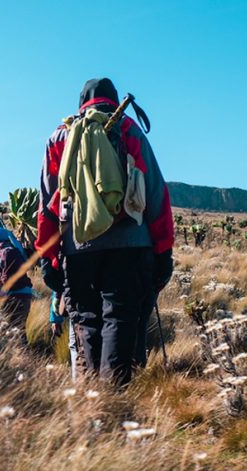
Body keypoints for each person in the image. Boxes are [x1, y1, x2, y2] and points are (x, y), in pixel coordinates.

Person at [36, 78, 174, 385]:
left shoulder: (60, 136)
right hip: (131, 242)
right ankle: (114, 394)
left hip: (79, 244)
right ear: (114, 99)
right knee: (121, 316)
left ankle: (92, 395)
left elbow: (47, 202)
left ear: (81, 101)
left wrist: (50, 257)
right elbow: (155, 193)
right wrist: (164, 251)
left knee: (87, 317)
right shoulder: (129, 129)